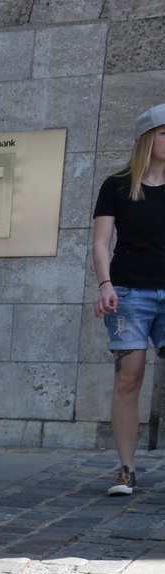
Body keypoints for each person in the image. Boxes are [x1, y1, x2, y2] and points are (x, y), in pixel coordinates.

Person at [93, 102, 165, 497]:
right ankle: (126, 470)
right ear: (146, 139)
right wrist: (105, 284)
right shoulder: (117, 186)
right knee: (128, 377)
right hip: (129, 293)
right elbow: (102, 242)